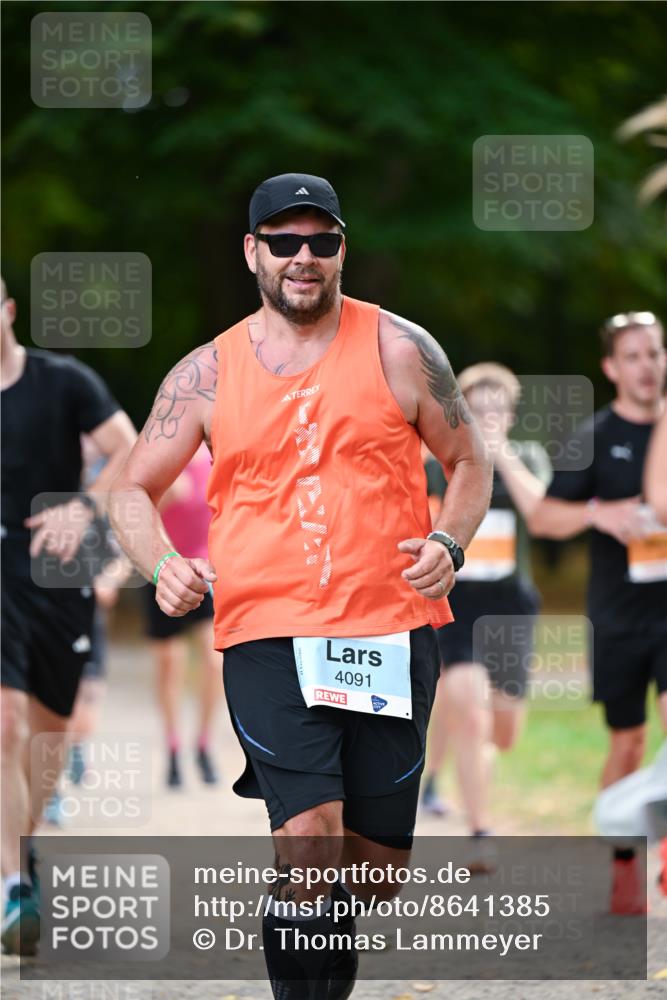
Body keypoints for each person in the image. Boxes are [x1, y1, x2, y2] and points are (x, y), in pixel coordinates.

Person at [110, 172, 492, 998]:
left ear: (341, 248)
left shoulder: (402, 348)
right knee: (310, 846)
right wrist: (163, 565)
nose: (303, 257)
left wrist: (448, 540)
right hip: (267, 634)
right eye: (284, 241)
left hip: (390, 631)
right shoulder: (204, 374)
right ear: (253, 252)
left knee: (373, 875)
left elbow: (468, 464)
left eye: (321, 240)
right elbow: (129, 490)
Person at [0, 277, 136, 954]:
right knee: (5, 722)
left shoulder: (64, 381)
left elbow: (129, 448)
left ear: (8, 310)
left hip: (57, 570)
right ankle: (11, 889)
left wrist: (83, 506)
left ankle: (19, 857)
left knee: (48, 734)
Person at [529, 310, 667, 915]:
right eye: (635, 355)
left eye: (656, 353)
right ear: (612, 368)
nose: (649, 365)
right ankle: (624, 864)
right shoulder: (595, 435)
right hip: (617, 616)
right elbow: (543, 518)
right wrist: (597, 514)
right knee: (629, 743)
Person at [420, 364, 551, 866]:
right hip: (456, 603)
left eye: (498, 409)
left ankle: (460, 767)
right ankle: (479, 832)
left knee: (503, 733)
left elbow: (541, 516)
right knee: (468, 712)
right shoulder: (437, 465)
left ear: (512, 415)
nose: (489, 417)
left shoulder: (530, 457)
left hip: (510, 607)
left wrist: (503, 459)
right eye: (479, 409)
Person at [143, 442, 222, 788]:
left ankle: (204, 744)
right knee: (169, 664)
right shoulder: (158, 456)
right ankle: (173, 747)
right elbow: (134, 509)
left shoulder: (215, 453)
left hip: (205, 568)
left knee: (214, 660)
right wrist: (165, 496)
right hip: (162, 569)